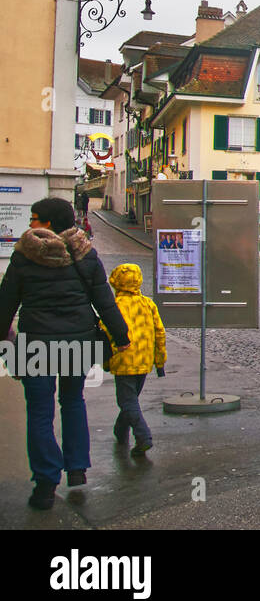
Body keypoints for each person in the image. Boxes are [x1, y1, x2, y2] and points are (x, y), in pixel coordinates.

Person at [0, 197, 129, 510]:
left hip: (34, 346)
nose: (30, 225)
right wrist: (121, 335)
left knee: (40, 411)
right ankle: (76, 468)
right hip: (78, 342)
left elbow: (6, 305)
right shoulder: (85, 254)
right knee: (72, 401)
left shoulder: (24, 256)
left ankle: (45, 483)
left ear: (48, 223)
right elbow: (105, 301)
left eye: (35, 219)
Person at [103, 263, 167, 456]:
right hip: (144, 360)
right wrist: (159, 361)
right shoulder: (148, 304)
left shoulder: (114, 306)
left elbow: (106, 334)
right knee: (131, 399)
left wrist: (106, 361)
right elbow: (160, 333)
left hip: (123, 360)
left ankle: (143, 436)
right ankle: (120, 430)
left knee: (127, 400)